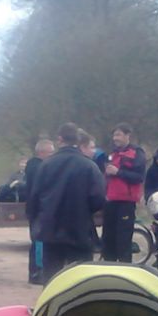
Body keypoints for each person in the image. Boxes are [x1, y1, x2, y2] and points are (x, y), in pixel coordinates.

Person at [26, 122, 106, 284]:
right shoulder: (89, 166)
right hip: (79, 229)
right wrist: (85, 211)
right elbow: (98, 199)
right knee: (81, 280)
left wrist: (38, 223)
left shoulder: (45, 165)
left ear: (59, 139)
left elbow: (34, 198)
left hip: (50, 229)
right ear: (77, 140)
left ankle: (51, 299)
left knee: (51, 279)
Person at [101, 122, 146, 263]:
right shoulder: (112, 153)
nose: (115, 138)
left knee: (123, 239)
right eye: (114, 135)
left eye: (118, 135)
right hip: (110, 201)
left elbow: (139, 177)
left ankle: (125, 267)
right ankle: (108, 266)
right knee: (108, 238)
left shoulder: (137, 153)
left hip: (126, 202)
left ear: (128, 135)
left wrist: (118, 172)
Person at [25, 138, 56, 283]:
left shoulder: (33, 166)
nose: (53, 155)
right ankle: (37, 273)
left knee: (38, 242)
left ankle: (36, 272)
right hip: (39, 210)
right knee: (39, 242)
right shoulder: (37, 167)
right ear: (41, 152)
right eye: (51, 153)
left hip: (35, 209)